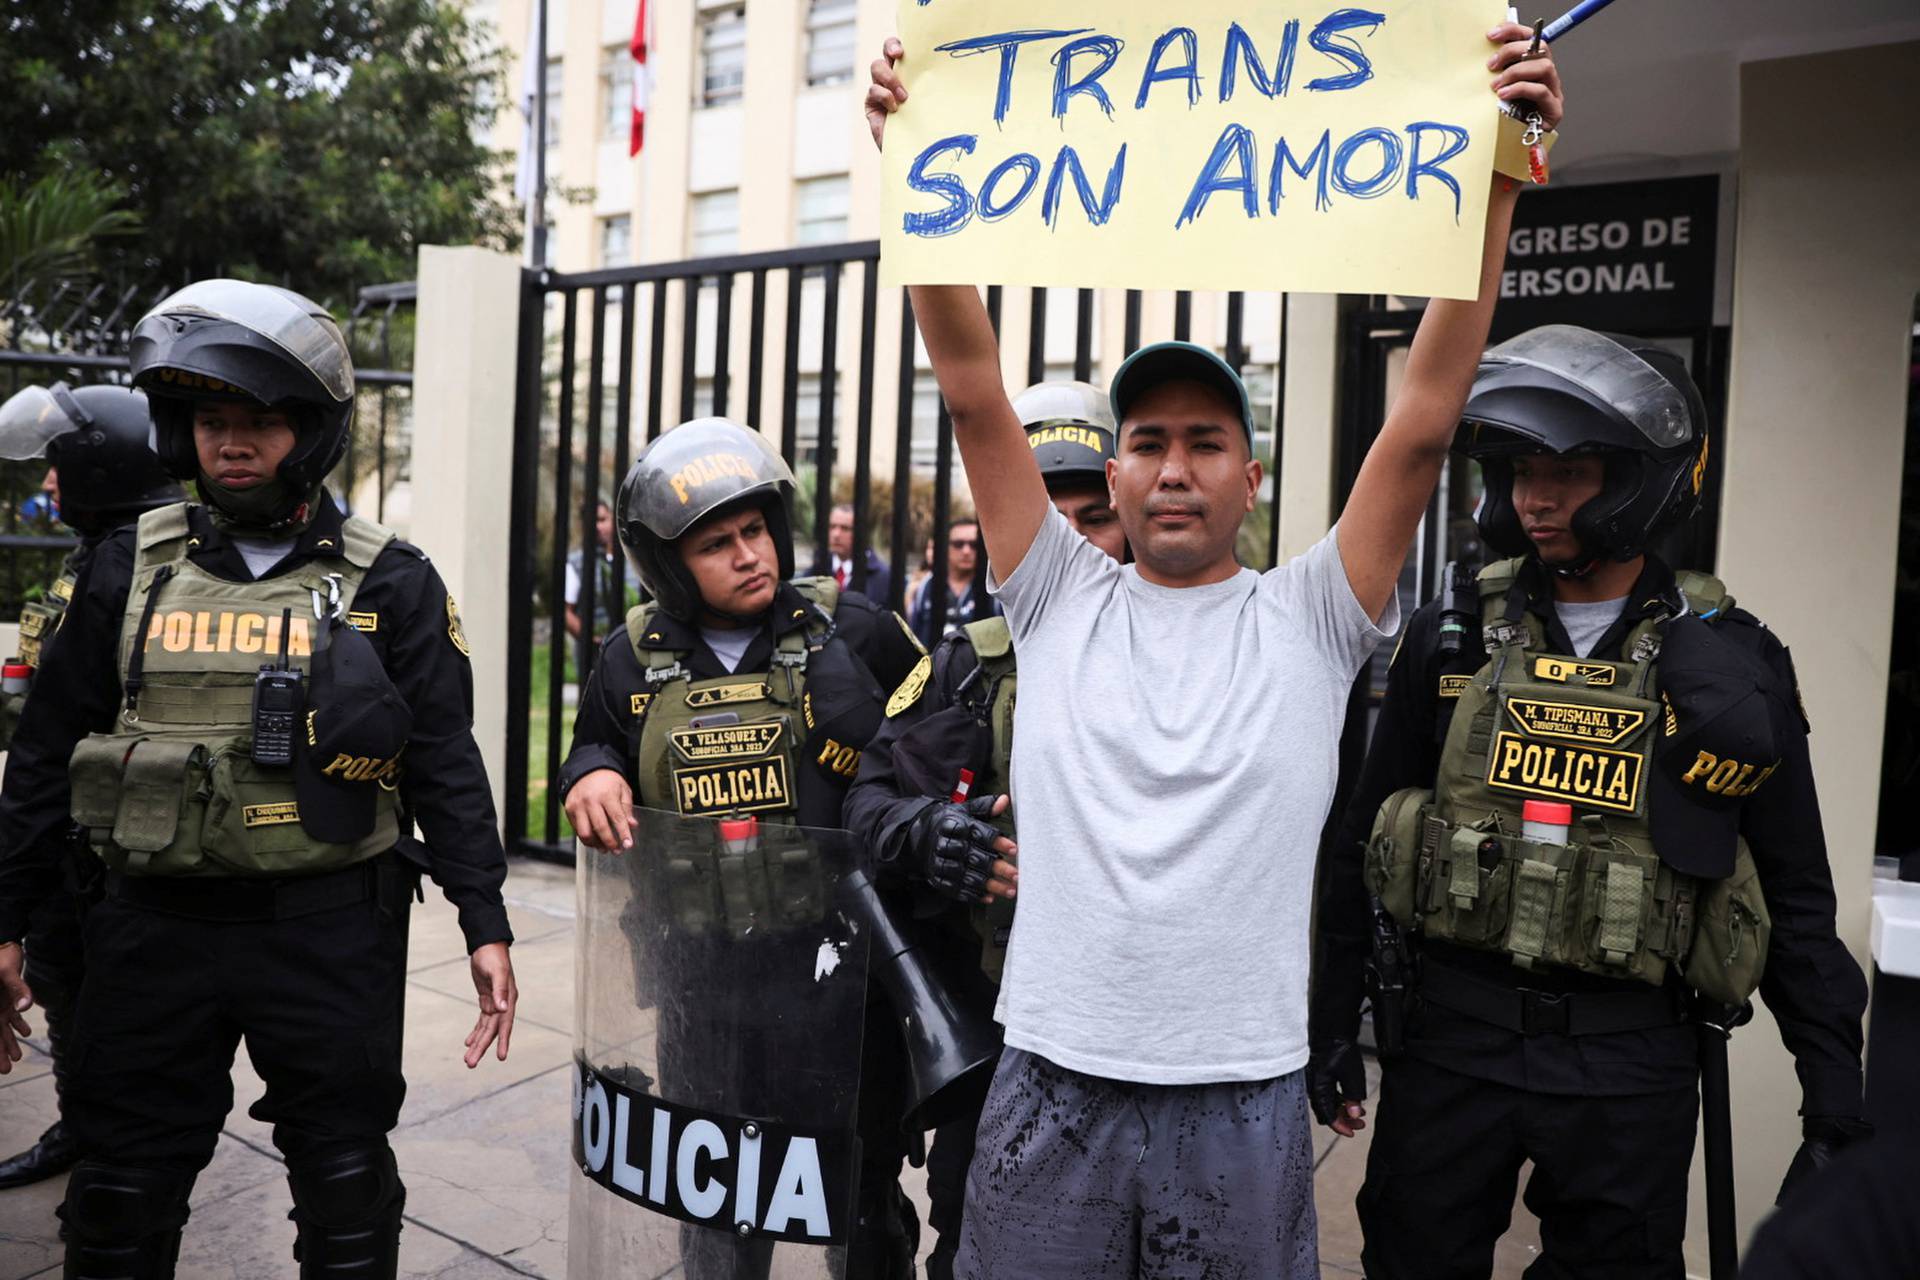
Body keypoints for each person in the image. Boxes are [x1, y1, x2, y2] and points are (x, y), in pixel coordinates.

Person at [864, 26, 1563, 1277]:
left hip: (1242, 1095)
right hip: (1051, 1072)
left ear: (1251, 474)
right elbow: (971, 385)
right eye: (1146, 441)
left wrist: (1501, 173)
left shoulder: (1315, 611)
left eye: (1203, 439)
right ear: (1114, 472)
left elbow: (1423, 417)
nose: (1173, 466)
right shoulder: (1056, 595)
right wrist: (918, 169)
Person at [1307, 326, 1871, 1279]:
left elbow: (1795, 892)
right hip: (1451, 1046)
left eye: (1573, 469)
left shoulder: (1732, 664)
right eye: (1524, 466)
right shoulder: (1450, 637)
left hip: (1630, 1065)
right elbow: (1355, 839)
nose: (1537, 496)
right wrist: (1328, 1023)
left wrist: (1834, 1100)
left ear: (1645, 478)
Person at [0, 280, 519, 1278]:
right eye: (212, 420)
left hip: (325, 927)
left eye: (261, 421)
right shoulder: (126, 568)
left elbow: (445, 758)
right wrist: (9, 913)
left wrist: (484, 918)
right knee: (119, 1189)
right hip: (152, 926)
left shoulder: (391, 579)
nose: (232, 442)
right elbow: (44, 755)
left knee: (346, 1180)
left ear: (311, 430)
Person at [558, 416, 925, 1277]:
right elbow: (593, 742)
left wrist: (879, 743)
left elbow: (940, 738)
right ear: (668, 567)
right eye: (717, 543)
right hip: (701, 984)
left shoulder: (857, 632)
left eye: (754, 530)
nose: (749, 554)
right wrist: (590, 774)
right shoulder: (628, 658)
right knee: (718, 1193)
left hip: (840, 981)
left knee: (855, 1197)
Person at [844, 380, 1125, 1280]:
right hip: (1000, 1024)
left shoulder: (1195, 645)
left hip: (1142, 1028)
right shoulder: (968, 665)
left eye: (1096, 517)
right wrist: (930, 834)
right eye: (1051, 520)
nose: (1077, 544)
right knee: (978, 1241)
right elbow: (868, 803)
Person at [0, 382, 186, 1191]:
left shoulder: (143, 568)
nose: (47, 483)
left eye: (59, 467)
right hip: (77, 827)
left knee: (105, 1004)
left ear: (105, 471)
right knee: (68, 988)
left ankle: (112, 1146)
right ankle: (86, 1128)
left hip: (108, 834)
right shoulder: (104, 558)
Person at [907, 515, 993, 648]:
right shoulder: (927, 585)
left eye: (974, 545)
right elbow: (915, 636)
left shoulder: (990, 588)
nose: (966, 551)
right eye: (958, 544)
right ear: (946, 546)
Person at [564, 499, 641, 641]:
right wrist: (592, 640)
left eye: (602, 520)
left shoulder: (634, 556)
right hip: (596, 653)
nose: (598, 527)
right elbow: (566, 612)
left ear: (612, 518)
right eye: (591, 522)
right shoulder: (576, 563)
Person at [808, 501, 893, 605]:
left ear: (862, 532)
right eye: (832, 526)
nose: (836, 534)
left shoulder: (883, 577)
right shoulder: (817, 567)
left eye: (845, 528)